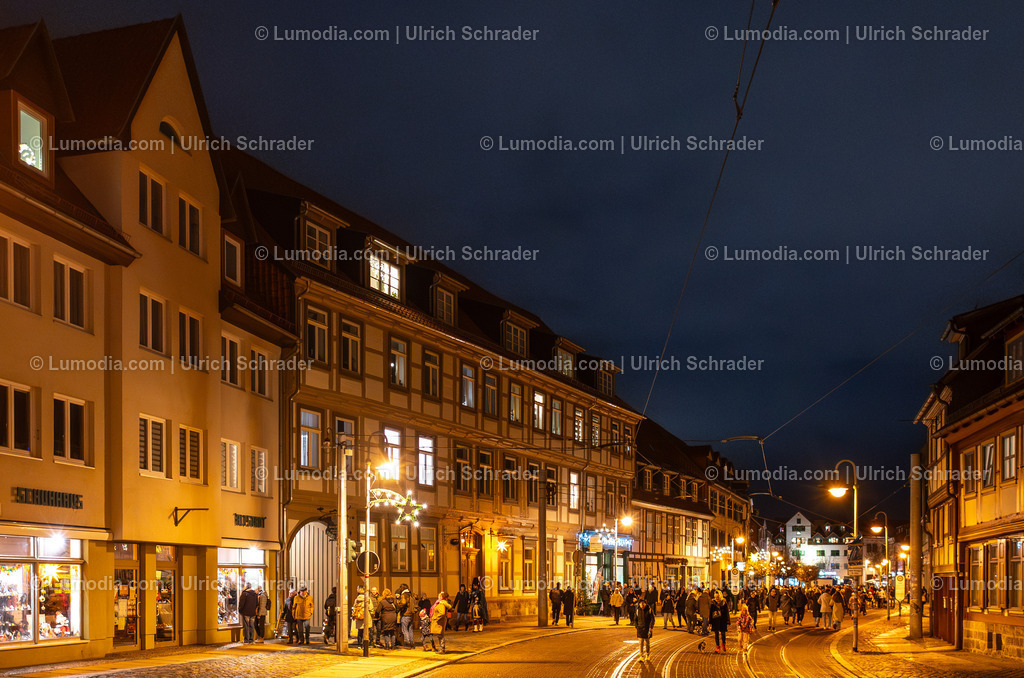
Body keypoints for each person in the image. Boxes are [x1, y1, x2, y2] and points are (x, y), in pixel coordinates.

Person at [636, 596, 654, 662]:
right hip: (640, 628)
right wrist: (636, 626)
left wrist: (651, 627)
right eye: (641, 604)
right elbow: (635, 619)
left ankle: (648, 654)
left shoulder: (649, 609)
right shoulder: (638, 610)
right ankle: (641, 656)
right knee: (640, 643)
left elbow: (652, 619)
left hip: (647, 628)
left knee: (647, 643)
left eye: (643, 604)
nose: (642, 605)